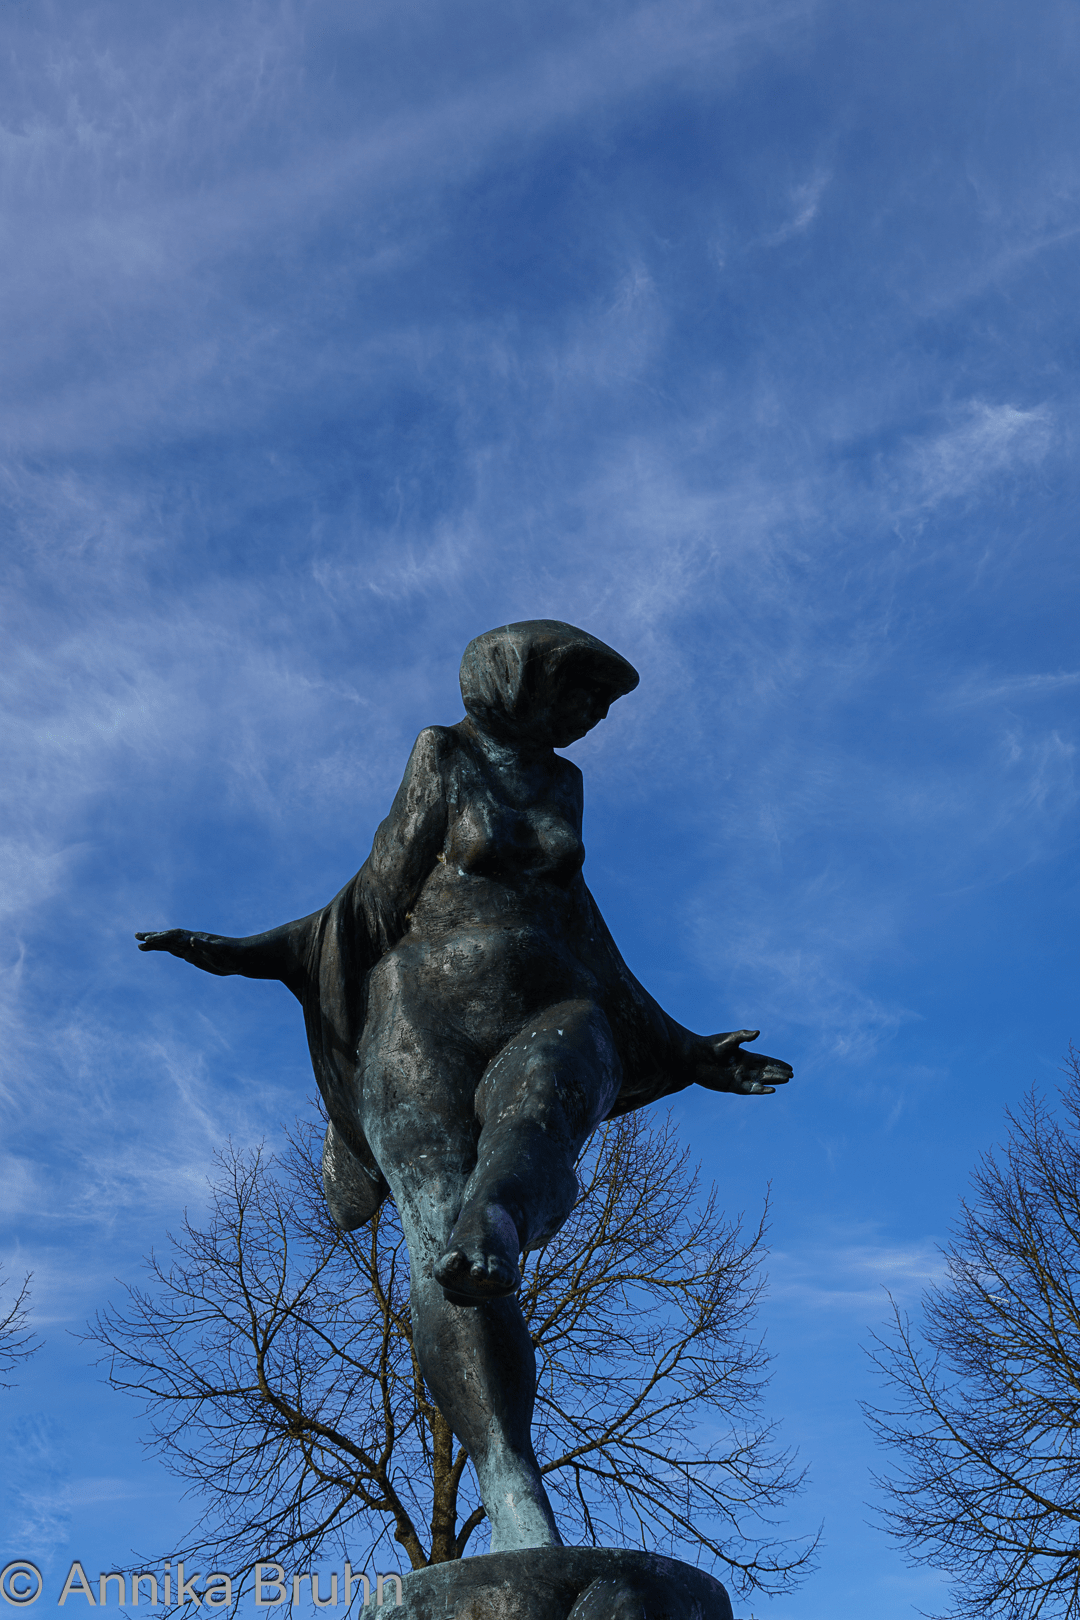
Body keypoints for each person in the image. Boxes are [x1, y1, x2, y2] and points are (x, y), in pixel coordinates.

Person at [137, 619, 792, 1555]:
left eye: (599, 707)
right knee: (437, 1239)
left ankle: (499, 1224)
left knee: (543, 1120)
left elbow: (584, 924)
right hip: (423, 1022)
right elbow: (369, 898)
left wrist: (686, 1050)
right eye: (581, 699)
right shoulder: (442, 755)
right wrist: (246, 952)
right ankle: (510, 1483)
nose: (592, 720)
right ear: (516, 683)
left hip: (551, 1000)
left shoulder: (565, 784)